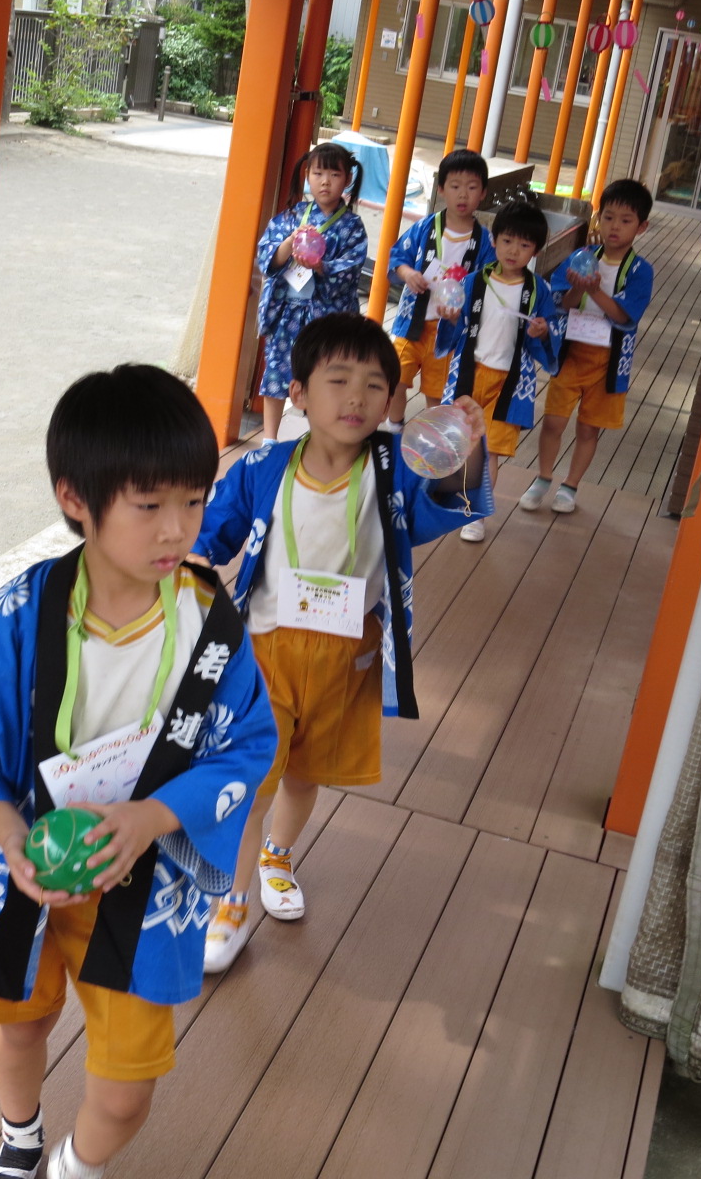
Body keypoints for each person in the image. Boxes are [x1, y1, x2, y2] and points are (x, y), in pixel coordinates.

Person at [0, 366, 278, 1179]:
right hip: (28, 866)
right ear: (74, 499)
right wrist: (10, 838)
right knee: (19, 1023)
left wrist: (153, 819)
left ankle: (74, 1169)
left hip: (146, 880)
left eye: (195, 501)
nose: (178, 530)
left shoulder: (212, 626)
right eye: (149, 505)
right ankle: (20, 1140)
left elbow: (247, 745)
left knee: (128, 1089)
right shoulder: (23, 614)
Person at [191, 313, 491, 971]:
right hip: (263, 654)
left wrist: (464, 445)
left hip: (348, 655)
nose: (355, 397)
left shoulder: (397, 471)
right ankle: (232, 900)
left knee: (305, 771)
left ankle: (279, 857)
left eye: (374, 384)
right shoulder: (262, 467)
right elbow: (205, 539)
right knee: (254, 780)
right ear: (297, 392)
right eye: (337, 380)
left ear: (394, 401)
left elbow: (455, 498)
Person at [519, 178, 655, 514]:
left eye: (626, 221)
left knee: (588, 427)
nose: (614, 227)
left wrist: (594, 291)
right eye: (608, 217)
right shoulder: (581, 257)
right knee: (553, 420)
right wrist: (580, 289)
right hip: (572, 354)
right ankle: (543, 476)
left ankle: (570, 486)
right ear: (598, 218)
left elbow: (626, 315)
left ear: (642, 227)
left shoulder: (641, 270)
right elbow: (561, 302)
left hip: (609, 361)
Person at [435, 200, 560, 542]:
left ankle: (476, 514)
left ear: (536, 249)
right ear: (494, 240)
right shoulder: (474, 282)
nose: (514, 251)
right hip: (469, 374)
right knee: (460, 443)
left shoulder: (539, 291)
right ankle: (449, 497)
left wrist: (543, 332)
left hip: (511, 382)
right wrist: (449, 318)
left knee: (490, 450)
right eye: (507, 241)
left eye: (524, 244)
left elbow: (549, 334)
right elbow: (455, 328)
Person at [256, 143, 370, 446]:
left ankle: (319, 436)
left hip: (326, 317)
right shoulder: (292, 216)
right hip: (289, 309)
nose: (325, 181)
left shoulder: (352, 226)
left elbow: (351, 267)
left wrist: (321, 265)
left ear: (347, 179)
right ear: (307, 175)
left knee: (324, 375)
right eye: (318, 173)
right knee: (278, 370)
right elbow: (266, 254)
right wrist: (289, 244)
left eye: (334, 174)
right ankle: (269, 439)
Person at [383, 148, 497, 431]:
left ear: (483, 193)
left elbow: (488, 286)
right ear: (442, 189)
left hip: (449, 332)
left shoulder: (486, 241)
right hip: (412, 325)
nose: (463, 195)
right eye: (455, 187)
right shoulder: (425, 227)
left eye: (472, 188)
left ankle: (430, 443)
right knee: (395, 380)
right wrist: (408, 273)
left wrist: (463, 313)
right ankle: (395, 429)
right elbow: (397, 257)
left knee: (437, 393)